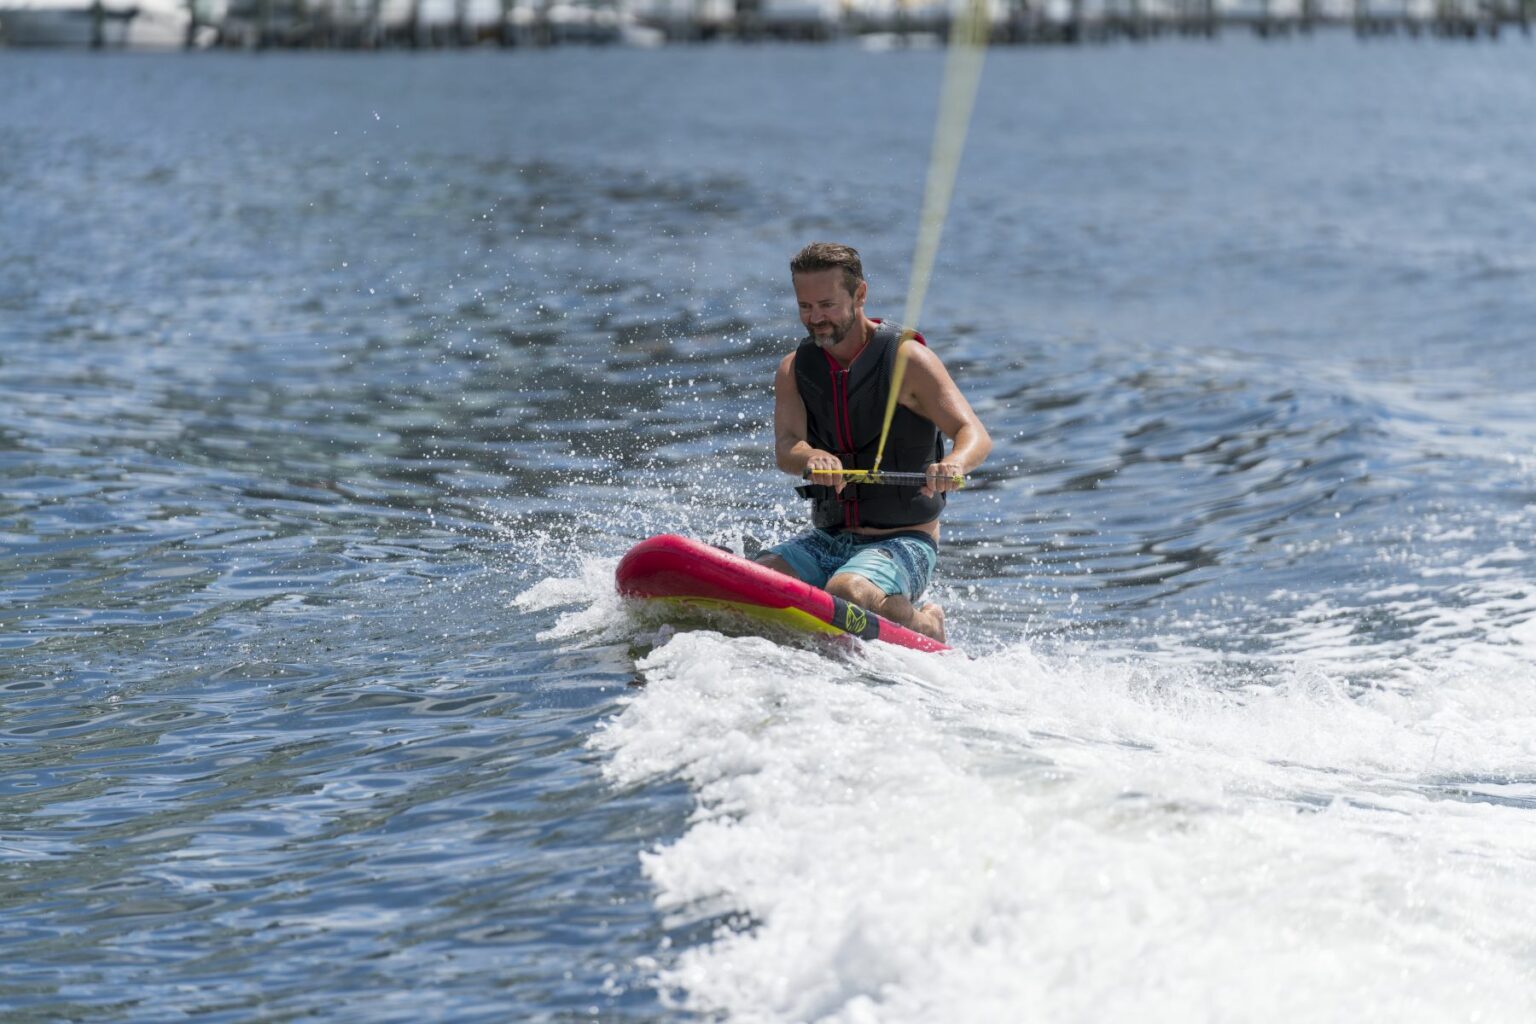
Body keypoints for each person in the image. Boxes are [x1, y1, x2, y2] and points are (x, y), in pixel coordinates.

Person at [755, 241, 991, 643]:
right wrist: (811, 456)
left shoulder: (907, 361)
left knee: (847, 594)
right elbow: (787, 446)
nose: (816, 319)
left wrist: (954, 464)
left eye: (827, 305)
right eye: (805, 307)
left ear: (860, 294)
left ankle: (925, 623)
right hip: (829, 537)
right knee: (762, 579)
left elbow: (974, 434)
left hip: (904, 541)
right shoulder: (795, 370)